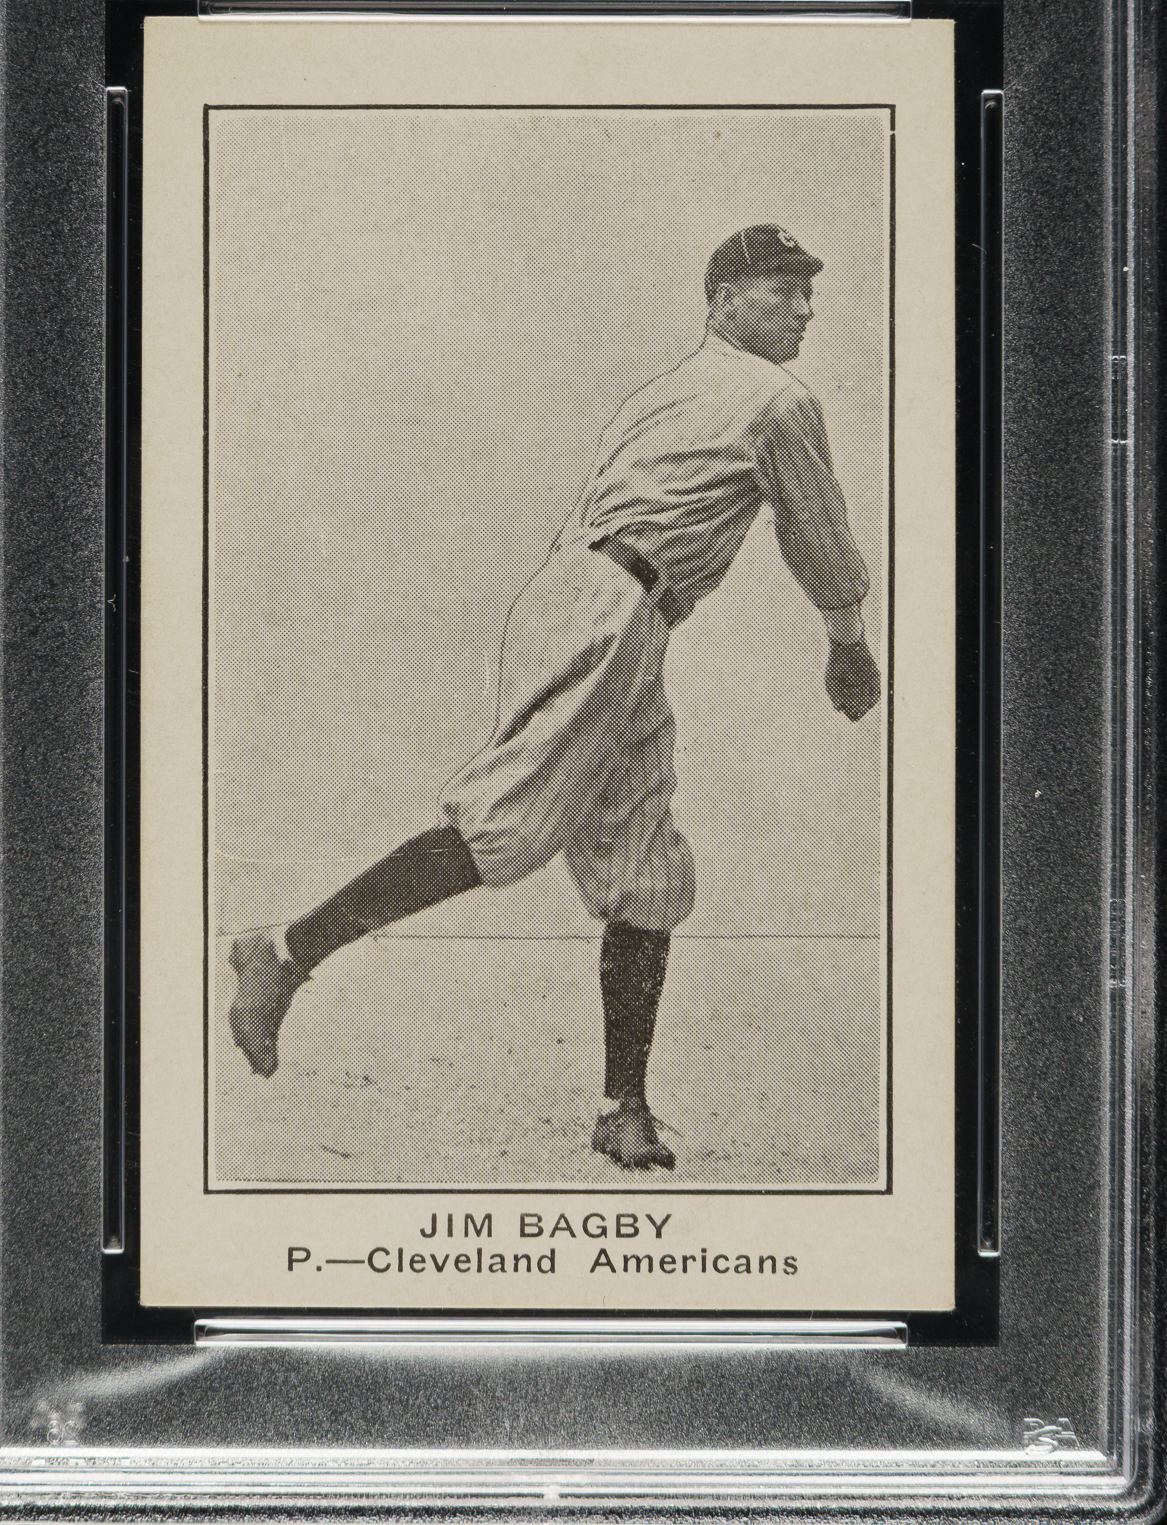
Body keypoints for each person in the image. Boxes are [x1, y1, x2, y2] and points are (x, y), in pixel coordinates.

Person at [228, 224, 882, 1172]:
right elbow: (815, 532)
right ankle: (286, 952)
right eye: (782, 290)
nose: (804, 309)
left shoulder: (667, 389)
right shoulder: (775, 400)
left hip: (603, 604)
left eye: (807, 292)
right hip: (611, 608)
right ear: (723, 300)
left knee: (643, 863)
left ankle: (623, 1108)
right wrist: (847, 643)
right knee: (509, 823)